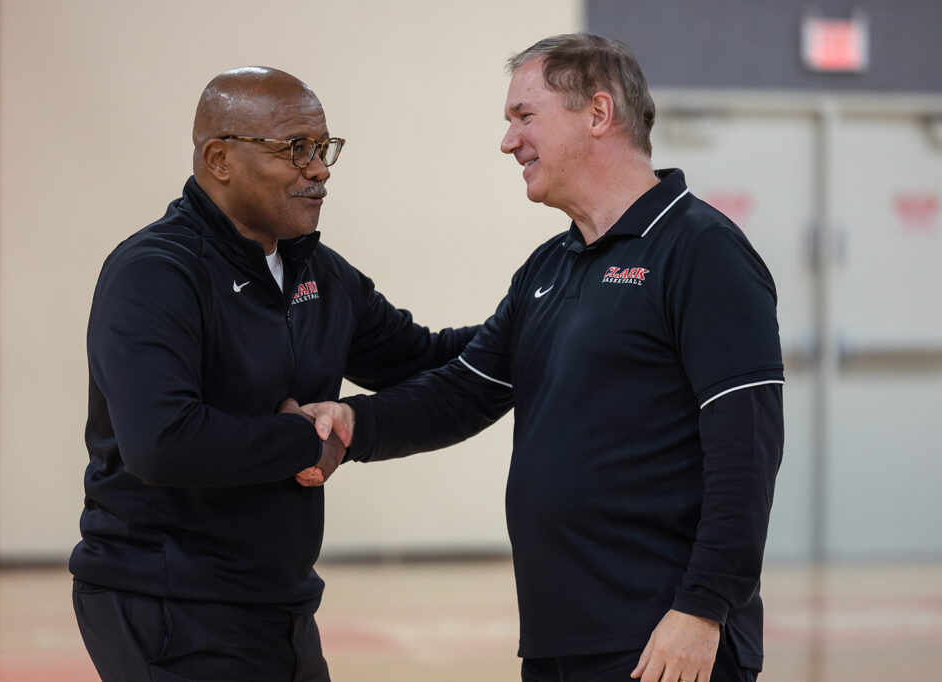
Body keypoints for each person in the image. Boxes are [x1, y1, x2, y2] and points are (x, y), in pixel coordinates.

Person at [301, 34, 784, 682]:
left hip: (661, 637)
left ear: (598, 114)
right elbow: (464, 391)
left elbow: (746, 452)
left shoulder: (703, 253)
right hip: (559, 638)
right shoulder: (548, 268)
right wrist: (353, 425)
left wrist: (703, 608)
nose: (509, 142)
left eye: (524, 117)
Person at [69, 66, 478, 682]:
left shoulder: (320, 273)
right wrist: (311, 440)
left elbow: (426, 359)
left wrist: (544, 320)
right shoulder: (154, 272)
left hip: (277, 601)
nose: (319, 169)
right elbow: (163, 443)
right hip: (166, 602)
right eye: (295, 150)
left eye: (323, 148)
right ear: (219, 159)